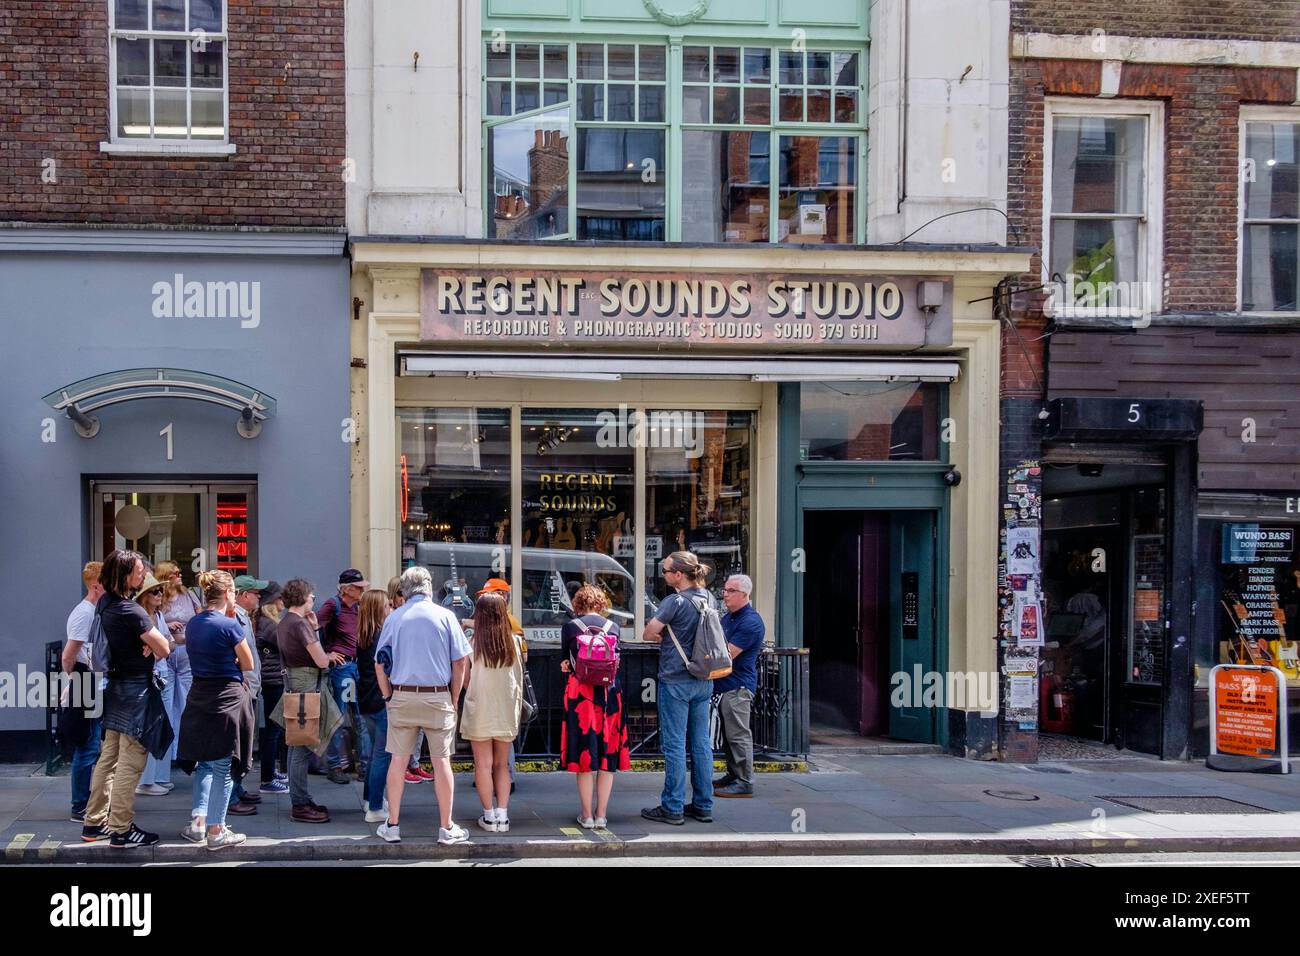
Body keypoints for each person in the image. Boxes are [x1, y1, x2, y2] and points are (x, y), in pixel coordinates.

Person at [81, 550, 173, 848]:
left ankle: (94, 823)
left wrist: (144, 643)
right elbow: (165, 648)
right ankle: (121, 829)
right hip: (137, 693)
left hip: (116, 689)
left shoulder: (106, 604)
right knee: (130, 763)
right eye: (137, 570)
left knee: (108, 759)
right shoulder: (130, 610)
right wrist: (150, 642)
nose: (143, 573)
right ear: (123, 574)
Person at [373, 566, 471, 845]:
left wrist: (387, 695)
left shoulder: (394, 618)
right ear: (429, 586)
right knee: (442, 763)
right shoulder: (446, 616)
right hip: (438, 695)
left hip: (402, 695)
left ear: (404, 590)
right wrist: (453, 697)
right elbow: (460, 660)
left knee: (397, 761)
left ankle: (392, 825)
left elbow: (380, 662)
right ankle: (446, 827)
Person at [176, 570, 256, 851]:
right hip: (226, 698)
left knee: (205, 763)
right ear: (227, 594)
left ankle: (198, 821)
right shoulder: (229, 625)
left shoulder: (194, 623)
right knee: (223, 765)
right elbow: (247, 664)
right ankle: (216, 830)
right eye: (233, 591)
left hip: (199, 696)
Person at [640, 551, 715, 826]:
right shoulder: (709, 598)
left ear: (679, 575)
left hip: (676, 679)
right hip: (704, 679)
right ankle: (703, 805)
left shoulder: (675, 601)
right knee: (701, 744)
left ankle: (672, 807)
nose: (664, 575)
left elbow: (648, 632)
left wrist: (664, 639)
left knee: (674, 745)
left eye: (666, 570)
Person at [268, 578, 342, 823]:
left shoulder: (286, 622)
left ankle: (301, 798)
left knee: (296, 745)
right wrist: (329, 653)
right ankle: (299, 804)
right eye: (311, 596)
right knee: (300, 747)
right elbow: (321, 660)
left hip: (296, 685)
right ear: (301, 597)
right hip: (306, 685)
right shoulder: (298, 624)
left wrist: (315, 629)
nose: (313, 599)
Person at [560, 584, 630, 829]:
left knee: (584, 754)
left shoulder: (570, 628)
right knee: (606, 757)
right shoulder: (614, 628)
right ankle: (602, 815)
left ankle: (587, 815)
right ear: (602, 604)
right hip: (610, 695)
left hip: (581, 695)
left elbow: (566, 662)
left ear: (578, 604)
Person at [461, 591, 524, 833]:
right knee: (502, 765)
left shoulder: (472, 644)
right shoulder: (515, 643)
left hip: (479, 707)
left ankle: (488, 815)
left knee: (483, 765)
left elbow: (465, 680)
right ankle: (503, 815)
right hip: (506, 709)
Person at [714, 574, 765, 798]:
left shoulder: (750, 622)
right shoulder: (729, 617)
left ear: (745, 594)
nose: (725, 594)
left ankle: (744, 781)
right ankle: (733, 775)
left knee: (738, 734)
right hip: (725, 685)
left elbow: (728, 654)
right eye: (724, 590)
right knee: (728, 734)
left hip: (738, 686)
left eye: (731, 591)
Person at [61, 561, 104, 822]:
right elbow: (69, 654)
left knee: (91, 744)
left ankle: (84, 801)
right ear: (96, 586)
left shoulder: (92, 611)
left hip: (91, 682)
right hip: (87, 683)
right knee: (87, 746)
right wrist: (76, 678)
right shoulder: (84, 613)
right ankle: (79, 805)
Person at [317, 568, 368, 784]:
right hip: (344, 667)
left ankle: (363, 765)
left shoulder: (357, 607)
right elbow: (311, 628)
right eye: (358, 587)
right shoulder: (333, 605)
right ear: (347, 589)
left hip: (355, 666)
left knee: (359, 717)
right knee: (341, 717)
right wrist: (325, 655)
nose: (362, 591)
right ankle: (335, 765)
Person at [224, 576, 267, 815]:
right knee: (238, 745)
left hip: (250, 687)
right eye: (254, 592)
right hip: (244, 688)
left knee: (245, 745)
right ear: (241, 595)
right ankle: (231, 795)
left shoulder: (244, 617)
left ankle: (237, 788)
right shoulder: (235, 618)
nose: (258, 596)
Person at [135, 574, 178, 796]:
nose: (160, 594)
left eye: (160, 591)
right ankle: (146, 780)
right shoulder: (141, 617)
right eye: (155, 591)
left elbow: (168, 643)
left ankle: (159, 776)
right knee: (152, 726)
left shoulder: (158, 615)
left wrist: (160, 647)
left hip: (162, 676)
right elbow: (163, 646)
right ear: (144, 596)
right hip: (150, 678)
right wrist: (161, 647)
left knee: (165, 724)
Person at [355, 588, 393, 824]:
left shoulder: (363, 635)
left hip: (366, 699)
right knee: (382, 756)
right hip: (381, 700)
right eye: (387, 605)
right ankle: (375, 807)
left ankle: (371, 798)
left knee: (374, 756)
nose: (390, 608)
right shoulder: (381, 636)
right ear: (380, 608)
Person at [156, 560, 196, 777]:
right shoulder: (158, 597)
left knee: (187, 701)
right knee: (167, 701)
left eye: (180, 572)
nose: (180, 575)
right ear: (165, 576)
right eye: (175, 573)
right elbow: (154, 620)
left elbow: (199, 615)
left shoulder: (188, 594)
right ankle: (168, 754)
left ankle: (185, 751)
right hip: (167, 652)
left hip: (186, 651)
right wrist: (168, 625)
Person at [255, 581, 290, 794]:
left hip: (272, 680)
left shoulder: (267, 622)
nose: (283, 602)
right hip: (273, 681)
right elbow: (287, 643)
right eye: (280, 598)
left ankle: (270, 772)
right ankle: (267, 778)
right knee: (273, 730)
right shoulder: (268, 624)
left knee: (273, 729)